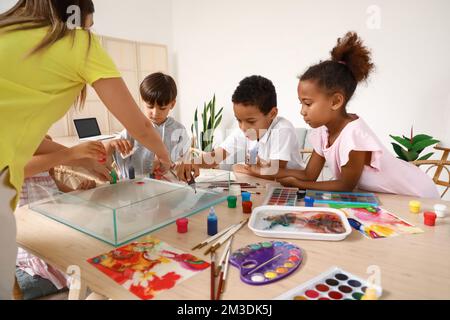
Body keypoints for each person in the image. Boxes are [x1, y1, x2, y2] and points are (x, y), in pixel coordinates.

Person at [0, 0, 171, 299]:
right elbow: (142, 128)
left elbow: (29, 139)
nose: (88, 32)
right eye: (88, 25)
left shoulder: (9, 33)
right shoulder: (78, 41)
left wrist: (78, 157)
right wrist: (165, 156)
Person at [276, 32, 439, 199]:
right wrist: (267, 171)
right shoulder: (323, 132)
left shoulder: (353, 135)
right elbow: (309, 174)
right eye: (301, 103)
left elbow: (345, 186)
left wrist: (299, 184)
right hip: (391, 197)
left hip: (415, 194)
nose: (302, 111)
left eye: (308, 103)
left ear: (335, 102)